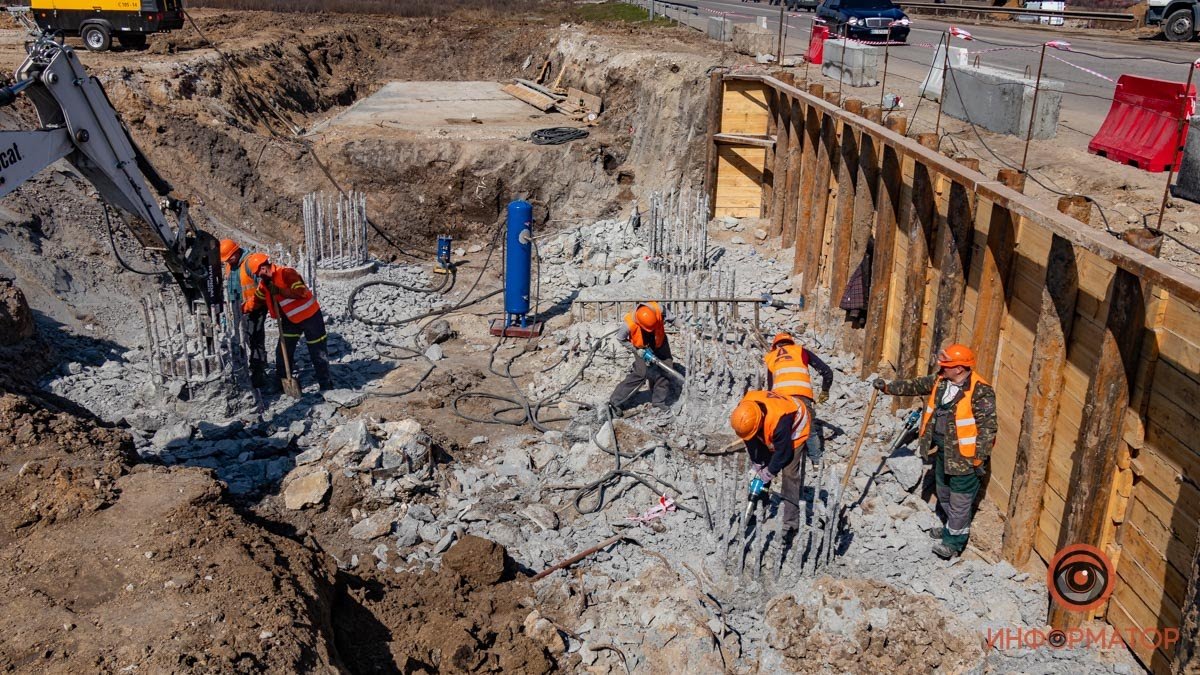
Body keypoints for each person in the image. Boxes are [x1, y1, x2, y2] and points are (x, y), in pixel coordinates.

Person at [873, 343, 997, 559]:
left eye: (946, 365)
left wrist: (979, 459)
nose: (942, 367)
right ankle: (951, 528)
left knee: (960, 501)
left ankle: (953, 543)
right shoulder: (941, 381)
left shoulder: (981, 391)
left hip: (965, 458)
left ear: (959, 368)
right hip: (943, 452)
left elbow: (988, 428)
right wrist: (887, 387)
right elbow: (915, 385)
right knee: (944, 493)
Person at [246, 254, 334, 392]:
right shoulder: (264, 285)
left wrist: (280, 291)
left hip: (310, 317)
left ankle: (326, 384)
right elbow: (256, 301)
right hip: (290, 320)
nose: (257, 276)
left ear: (263, 268)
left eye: (257, 273)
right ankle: (282, 382)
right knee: (283, 351)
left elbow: (300, 292)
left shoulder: (286, 273)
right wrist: (241, 309)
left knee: (318, 351)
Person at [730, 390, 812, 534]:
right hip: (771, 419)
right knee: (763, 466)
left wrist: (770, 472)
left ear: (759, 421)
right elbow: (749, 438)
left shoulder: (780, 422)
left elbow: (784, 453)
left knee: (789, 472)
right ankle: (759, 507)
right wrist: (757, 462)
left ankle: (790, 523)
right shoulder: (744, 412)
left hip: (797, 423)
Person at [764, 332, 833, 465]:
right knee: (809, 429)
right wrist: (825, 390)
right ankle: (816, 462)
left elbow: (770, 387)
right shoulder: (801, 351)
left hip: (781, 400)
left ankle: (779, 459)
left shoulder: (771, 357)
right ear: (791, 343)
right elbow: (827, 372)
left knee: (782, 429)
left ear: (776, 345)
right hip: (802, 396)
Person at [220, 240, 269, 389]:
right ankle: (250, 366)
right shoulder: (229, 265)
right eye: (226, 259)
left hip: (254, 308)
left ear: (236, 251)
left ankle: (259, 374)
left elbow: (264, 287)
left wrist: (252, 304)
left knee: (255, 339)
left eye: (230, 258)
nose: (228, 261)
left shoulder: (250, 263)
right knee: (241, 337)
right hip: (237, 308)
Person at [609, 301, 673, 415]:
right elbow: (620, 338)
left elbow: (673, 319)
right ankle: (615, 402)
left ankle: (658, 401)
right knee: (641, 373)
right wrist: (636, 350)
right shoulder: (628, 324)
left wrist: (686, 328)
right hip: (640, 347)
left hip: (660, 341)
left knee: (666, 369)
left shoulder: (659, 309)